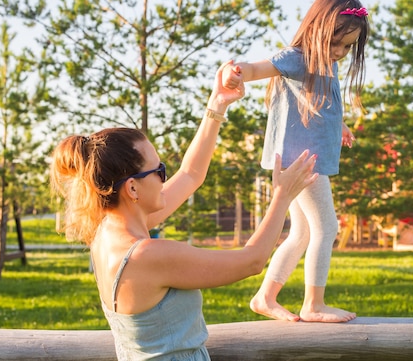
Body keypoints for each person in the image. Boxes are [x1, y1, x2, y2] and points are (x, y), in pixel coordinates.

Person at [49, 61, 319, 361]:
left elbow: (191, 174)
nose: (166, 176)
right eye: (159, 170)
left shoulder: (107, 230)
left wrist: (216, 107)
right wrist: (281, 195)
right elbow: (250, 262)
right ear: (133, 189)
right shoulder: (147, 255)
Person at [228, 0, 370, 323]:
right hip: (302, 162)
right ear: (319, 29)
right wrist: (237, 72)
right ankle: (314, 304)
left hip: (305, 158)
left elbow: (324, 104)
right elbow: (258, 68)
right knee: (327, 227)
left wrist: (342, 127)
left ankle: (265, 297)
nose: (341, 51)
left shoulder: (327, 62)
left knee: (302, 233)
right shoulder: (298, 56)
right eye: (337, 42)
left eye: (348, 46)